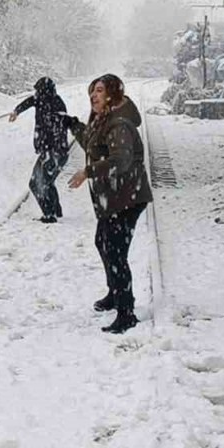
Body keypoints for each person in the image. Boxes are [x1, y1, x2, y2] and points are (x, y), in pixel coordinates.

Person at [65, 74, 153, 334]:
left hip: (127, 197)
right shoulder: (104, 120)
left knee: (115, 251)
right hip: (114, 197)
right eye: (92, 91)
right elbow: (95, 146)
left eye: (100, 91)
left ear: (112, 95)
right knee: (103, 242)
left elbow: (121, 159)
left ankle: (126, 313)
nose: (94, 95)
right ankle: (115, 294)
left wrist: (87, 172)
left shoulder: (120, 123)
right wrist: (74, 125)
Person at [9, 77, 70, 223]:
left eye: (38, 90)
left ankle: (49, 215)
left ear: (43, 91)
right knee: (47, 181)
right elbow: (29, 102)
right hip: (52, 151)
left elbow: (58, 131)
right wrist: (16, 111)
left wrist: (50, 152)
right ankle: (56, 211)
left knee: (36, 183)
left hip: (53, 152)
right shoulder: (43, 99)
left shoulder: (55, 105)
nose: (35, 93)